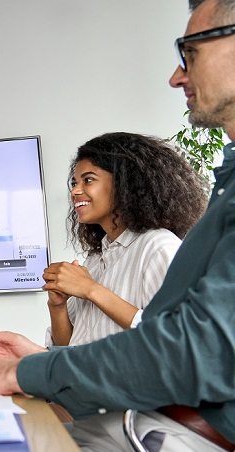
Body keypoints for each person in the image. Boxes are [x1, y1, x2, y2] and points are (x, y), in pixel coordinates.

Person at [0, 0, 235, 451]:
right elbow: (159, 337)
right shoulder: (225, 187)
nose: (177, 75)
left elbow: (191, 353)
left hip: (170, 427)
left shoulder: (158, 245)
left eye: (190, 53)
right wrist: (33, 355)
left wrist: (25, 369)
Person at [44, 132, 207, 348]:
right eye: (75, 182)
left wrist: (91, 289)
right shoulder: (95, 259)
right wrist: (57, 306)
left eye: (88, 180)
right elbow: (67, 347)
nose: (75, 191)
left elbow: (178, 335)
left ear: (125, 184)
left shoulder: (159, 248)